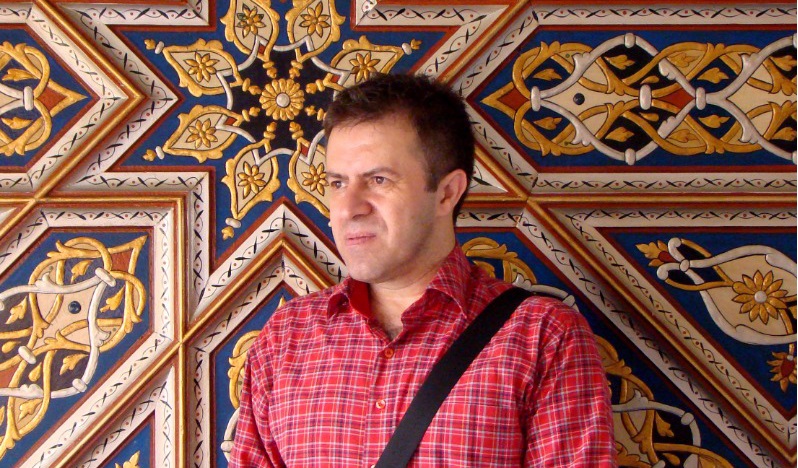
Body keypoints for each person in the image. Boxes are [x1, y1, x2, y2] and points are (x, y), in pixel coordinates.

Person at [230, 73, 616, 467]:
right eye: (338, 183)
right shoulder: (285, 340)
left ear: (447, 193)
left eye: (378, 180)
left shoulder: (542, 338)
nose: (348, 209)